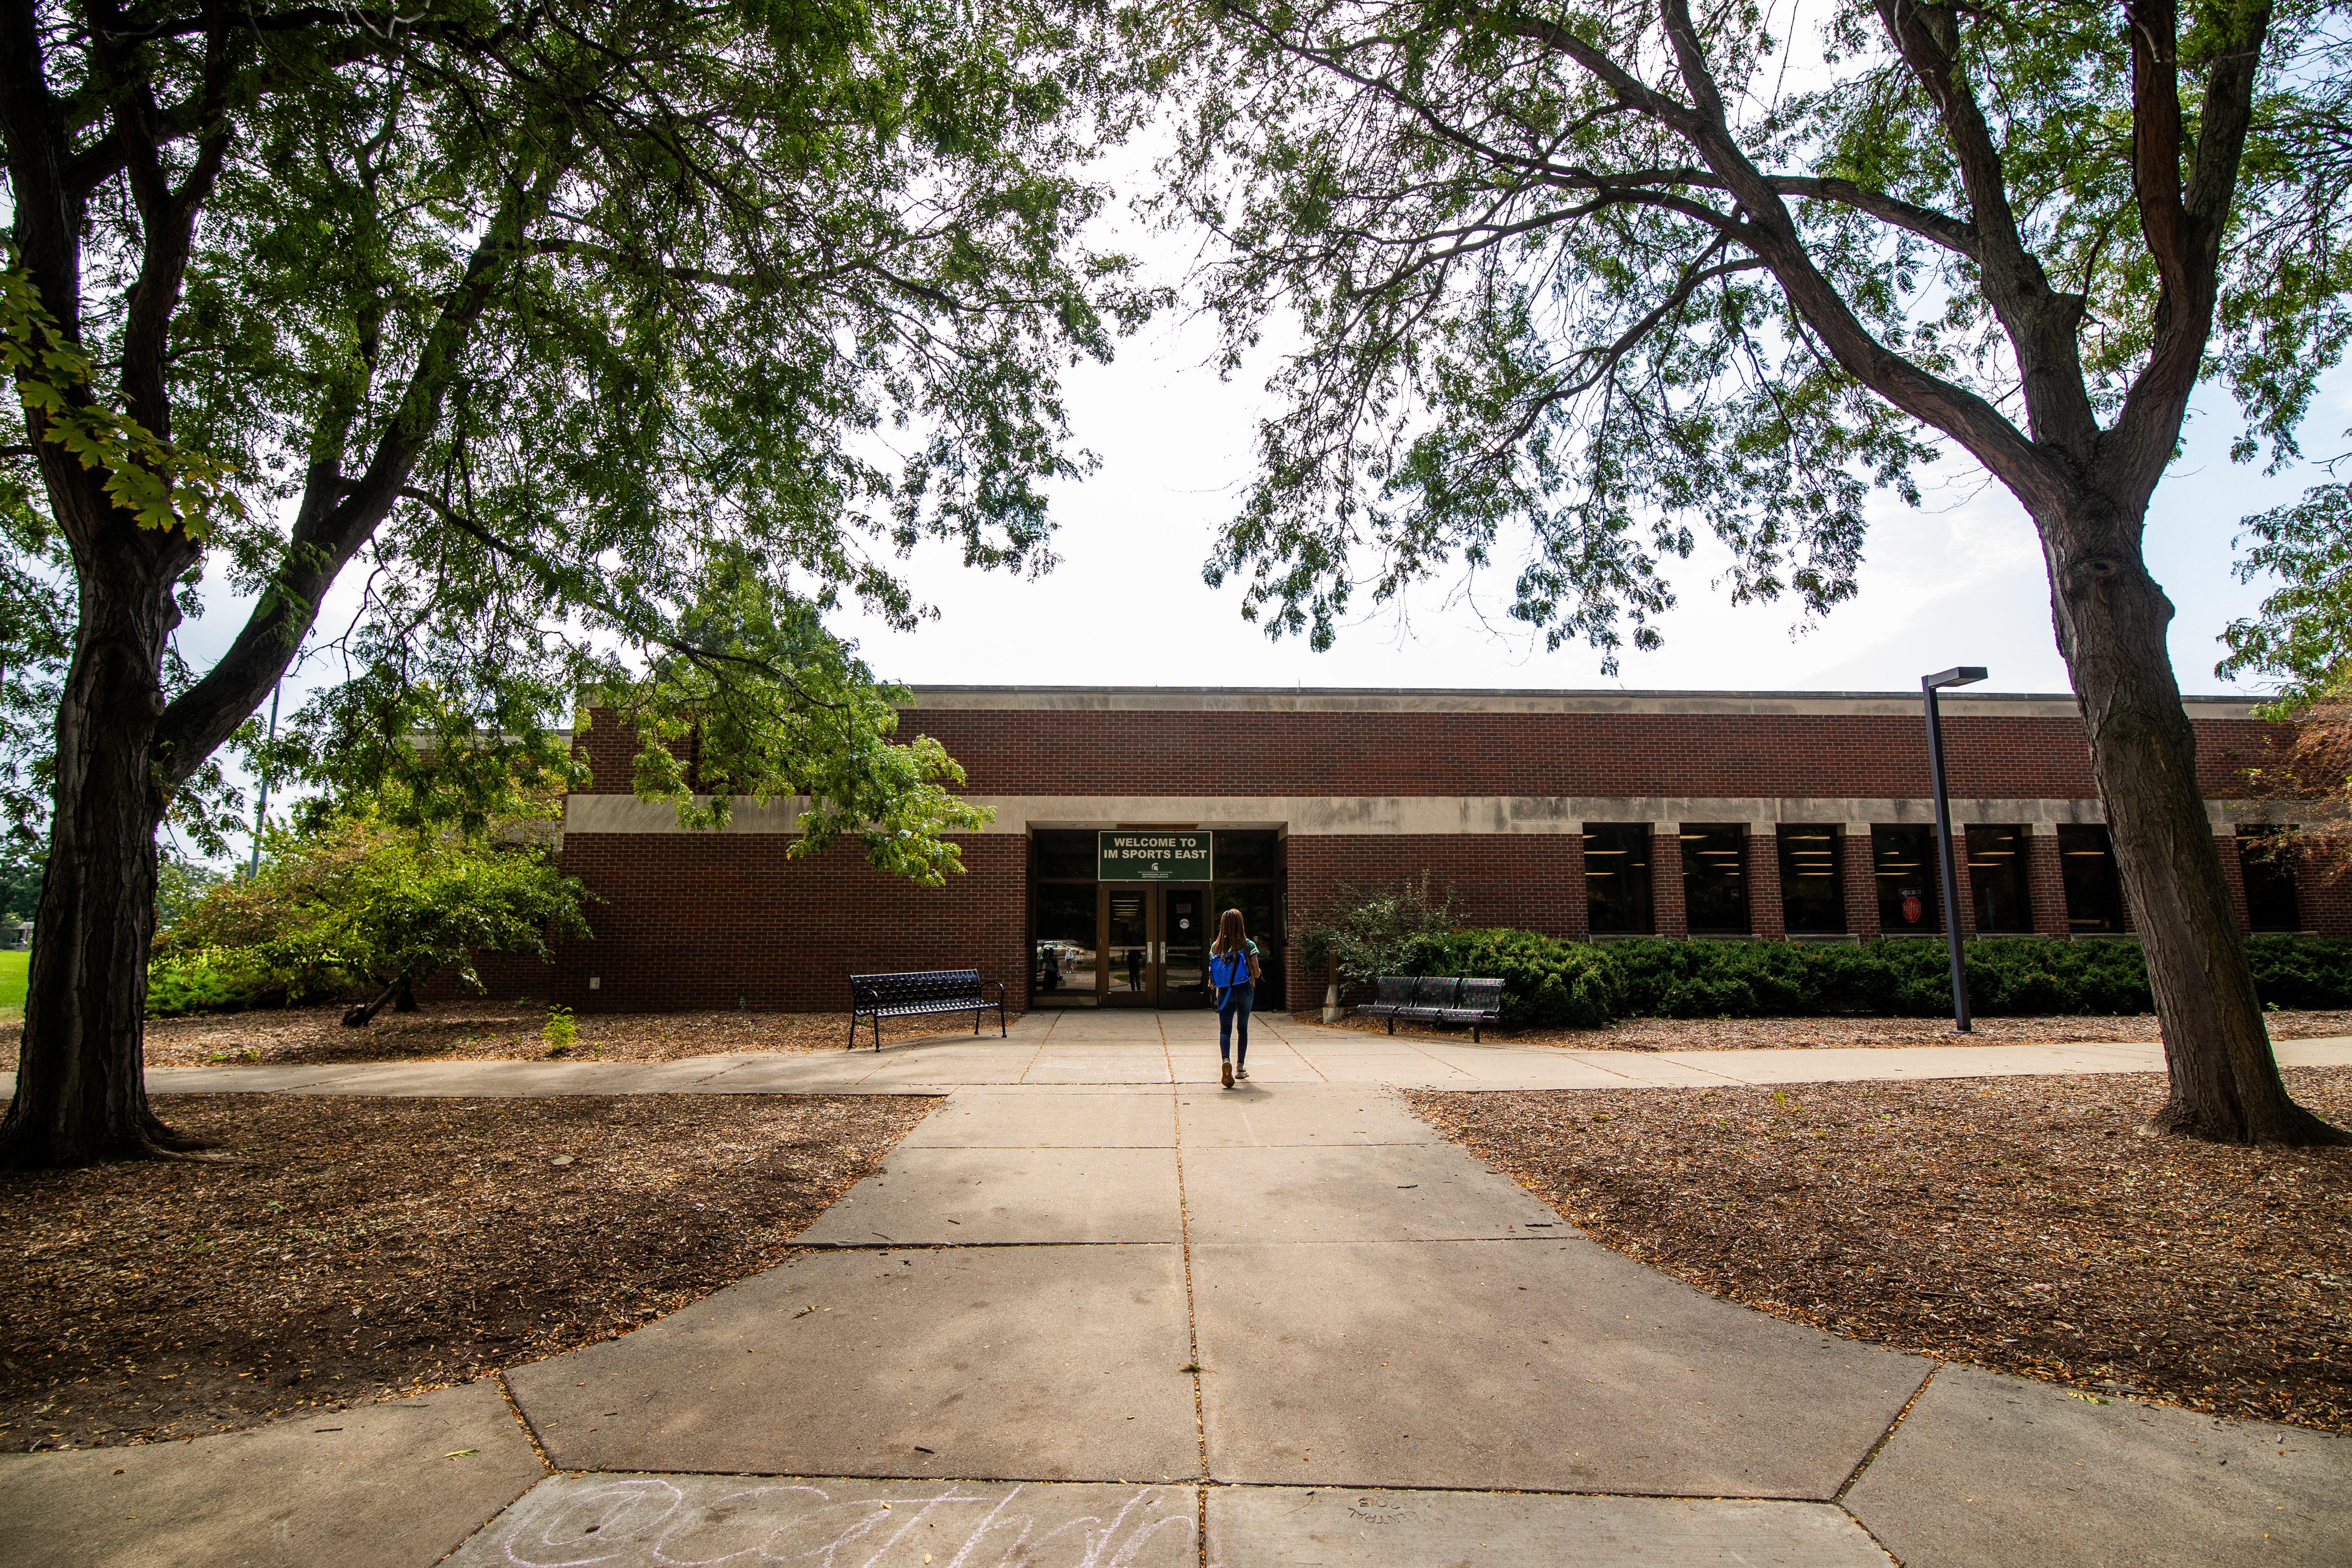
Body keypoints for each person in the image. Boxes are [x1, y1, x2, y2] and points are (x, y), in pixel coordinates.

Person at [1208, 908, 1261, 1088]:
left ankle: (1225, 1060)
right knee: (1243, 1028)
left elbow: (1213, 977)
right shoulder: (1249, 945)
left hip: (1224, 992)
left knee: (1225, 1031)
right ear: (1241, 923)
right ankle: (1240, 1068)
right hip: (1245, 991)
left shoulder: (1216, 947)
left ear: (1223, 925)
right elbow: (1256, 972)